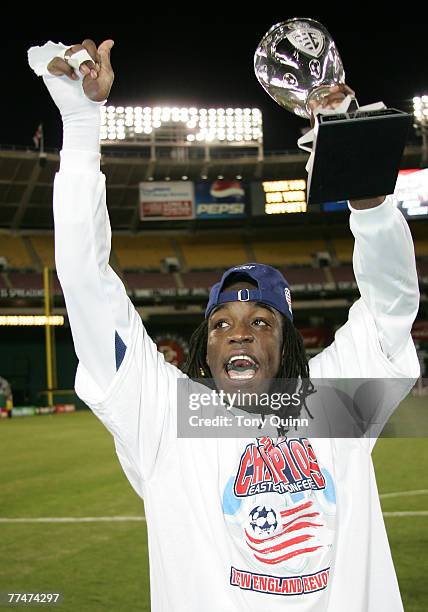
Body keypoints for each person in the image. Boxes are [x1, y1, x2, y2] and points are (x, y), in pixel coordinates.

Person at [28, 38, 420, 611]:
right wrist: (82, 125)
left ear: (287, 343)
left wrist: (368, 198)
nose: (239, 332)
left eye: (261, 321)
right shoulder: (162, 416)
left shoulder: (335, 404)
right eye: (221, 324)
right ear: (204, 348)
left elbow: (391, 304)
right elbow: (85, 280)